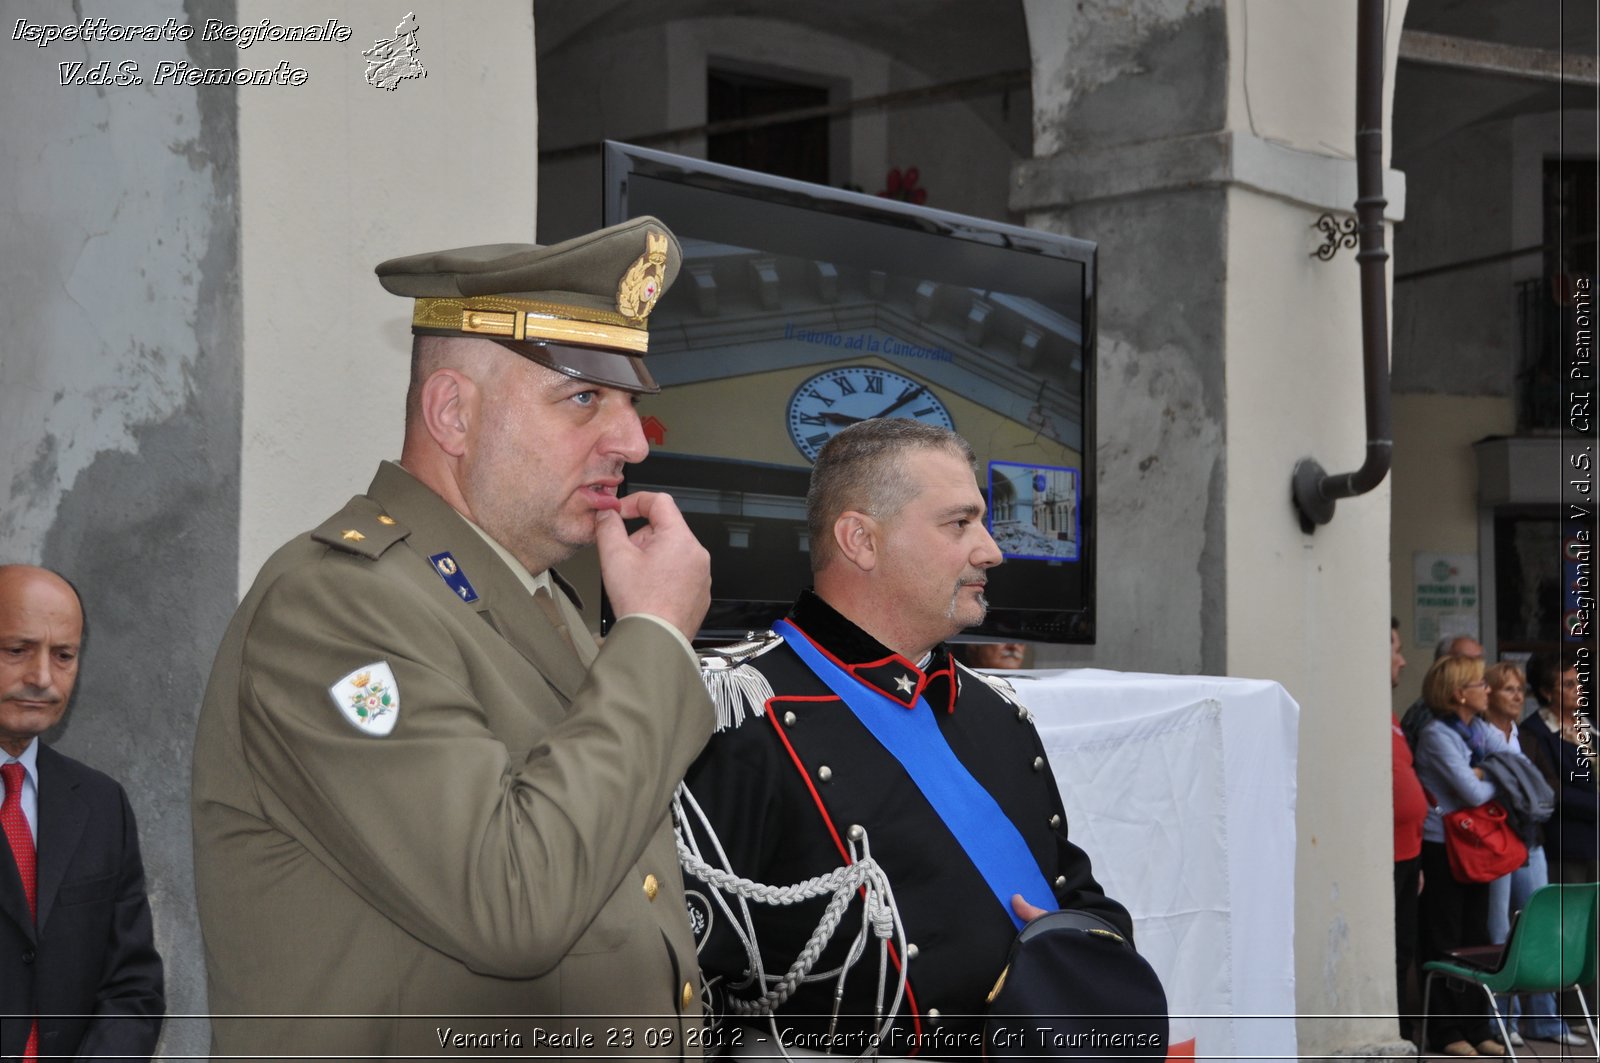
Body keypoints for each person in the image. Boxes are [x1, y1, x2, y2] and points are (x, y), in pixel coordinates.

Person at [192, 218, 716, 1059]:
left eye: (630, 406)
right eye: (584, 398)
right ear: (452, 414)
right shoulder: (333, 608)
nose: (628, 443)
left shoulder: (544, 607)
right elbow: (514, 900)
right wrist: (653, 635)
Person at [679, 419, 1136, 1058]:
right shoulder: (739, 711)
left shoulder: (994, 713)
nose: (992, 550)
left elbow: (1074, 896)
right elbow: (682, 977)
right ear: (861, 540)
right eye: (959, 524)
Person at [0, 564, 165, 1060]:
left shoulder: (100, 803)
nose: (42, 678)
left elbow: (132, 986)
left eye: (64, 655)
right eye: (16, 650)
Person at [1480, 661, 1582, 1048]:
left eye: (1520, 689)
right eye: (1509, 689)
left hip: (1530, 840)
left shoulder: (1525, 737)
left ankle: (1544, 1019)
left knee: (1539, 928)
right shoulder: (1480, 736)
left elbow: (1549, 789)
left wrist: (1523, 792)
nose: (1517, 696)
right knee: (1498, 933)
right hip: (1495, 842)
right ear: (1488, 693)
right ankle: (1502, 1022)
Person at [1412, 654, 1507, 1057]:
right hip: (1442, 847)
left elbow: (1513, 759)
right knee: (1445, 939)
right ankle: (1446, 1031)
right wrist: (1494, 776)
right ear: (1458, 695)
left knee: (1477, 937)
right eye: (1479, 684)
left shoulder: (1481, 730)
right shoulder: (1437, 734)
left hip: (1476, 845)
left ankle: (1477, 1025)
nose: (1488, 690)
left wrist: (1490, 772)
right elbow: (1472, 792)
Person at [1389, 618, 1428, 1041]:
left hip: (1407, 853)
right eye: (1395, 649)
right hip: (1387, 856)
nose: (1402, 660)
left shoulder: (1393, 718)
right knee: (1395, 951)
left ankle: (1403, 1028)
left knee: (1404, 949)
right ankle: (1396, 1030)